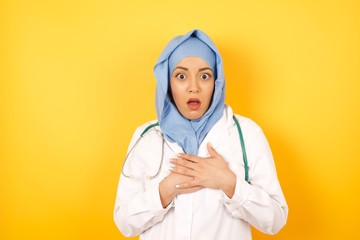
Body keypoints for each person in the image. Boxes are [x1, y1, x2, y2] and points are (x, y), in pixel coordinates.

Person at [114, 29, 288, 240]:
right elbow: (125, 224)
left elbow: (276, 220)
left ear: (217, 83)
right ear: (167, 83)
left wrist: (229, 183)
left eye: (205, 76)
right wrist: (165, 191)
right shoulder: (146, 137)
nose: (193, 87)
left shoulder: (247, 133)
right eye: (181, 76)